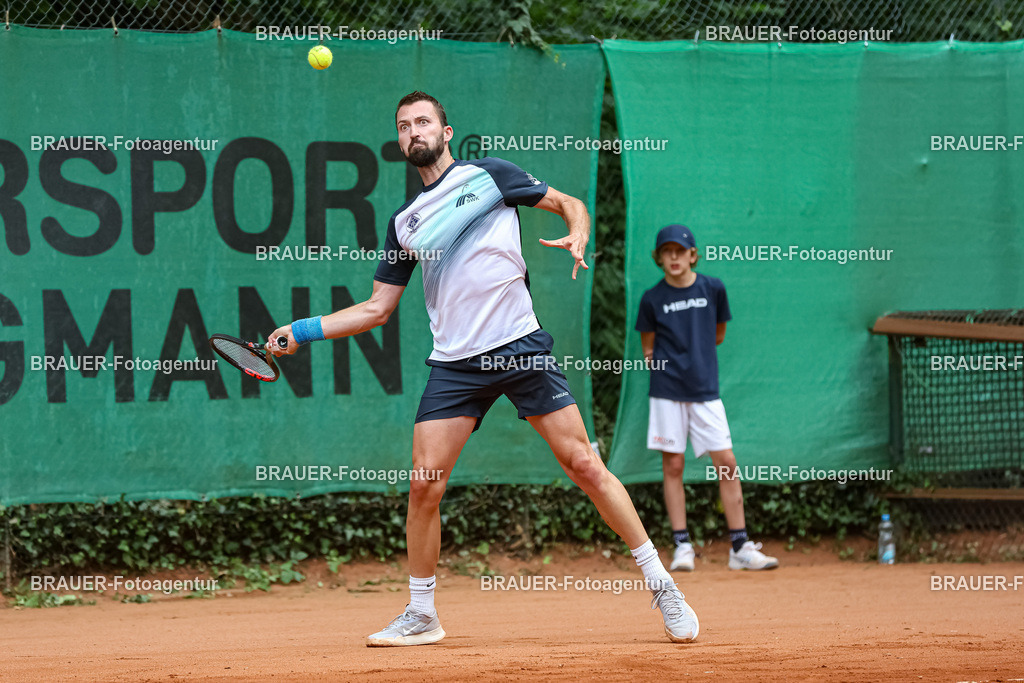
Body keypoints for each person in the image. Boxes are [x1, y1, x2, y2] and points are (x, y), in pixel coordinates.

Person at [267, 92, 698, 645]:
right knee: (424, 486)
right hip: (455, 364)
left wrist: (578, 230)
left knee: (584, 463)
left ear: (447, 133)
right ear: (400, 142)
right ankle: (422, 614)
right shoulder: (405, 224)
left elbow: (568, 202)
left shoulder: (491, 176)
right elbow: (377, 308)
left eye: (423, 122)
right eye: (403, 126)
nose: (413, 131)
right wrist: (302, 330)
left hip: (518, 346)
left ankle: (662, 584)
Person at [636, 224, 778, 573]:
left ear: (692, 255)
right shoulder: (652, 299)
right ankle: (682, 546)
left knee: (727, 462)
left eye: (680, 251)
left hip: (705, 392)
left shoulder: (713, 288)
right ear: (659, 257)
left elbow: (718, 334)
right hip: (667, 392)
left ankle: (740, 546)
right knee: (674, 465)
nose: (674, 257)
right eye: (667, 251)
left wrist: (694, 362)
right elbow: (649, 348)